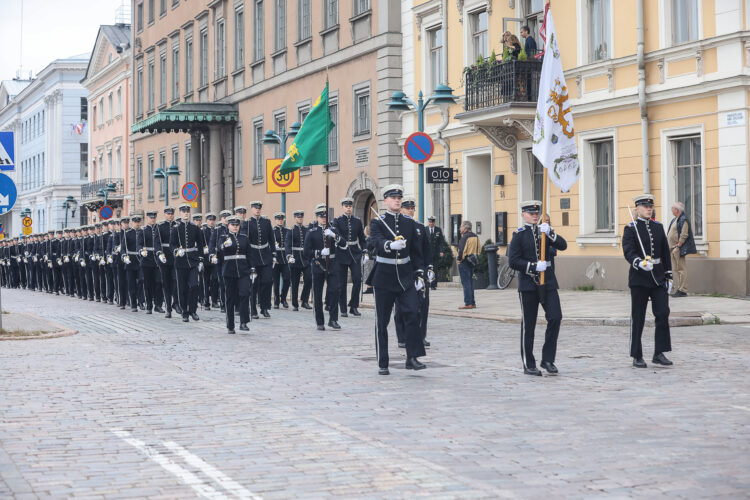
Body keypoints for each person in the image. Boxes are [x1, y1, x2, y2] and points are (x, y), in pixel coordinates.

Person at [367, 184, 426, 375]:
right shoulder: (378, 222)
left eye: (399, 198)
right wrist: (389, 244)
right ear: (386, 201)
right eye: (393, 198)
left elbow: (417, 253)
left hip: (405, 275)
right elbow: (375, 241)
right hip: (384, 276)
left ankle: (412, 357)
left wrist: (419, 274)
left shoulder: (410, 223)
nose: (397, 200)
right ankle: (383, 362)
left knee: (412, 314)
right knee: (382, 321)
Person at [509, 201, 568, 376]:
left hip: (548, 282)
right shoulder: (519, 235)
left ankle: (548, 359)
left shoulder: (545, 231)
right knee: (529, 325)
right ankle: (528, 363)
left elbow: (563, 245)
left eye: (537, 212)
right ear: (523, 215)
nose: (535, 215)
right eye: (531, 213)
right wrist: (533, 266)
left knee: (555, 317)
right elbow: (513, 261)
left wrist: (551, 234)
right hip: (528, 285)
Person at [623, 194, 673, 368]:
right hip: (639, 279)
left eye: (650, 206)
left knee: (662, 313)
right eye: (645, 206)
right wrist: (639, 263)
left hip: (658, 277)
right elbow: (628, 251)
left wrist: (668, 275)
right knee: (638, 317)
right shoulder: (631, 228)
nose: (648, 209)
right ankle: (637, 354)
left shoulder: (658, 227)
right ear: (637, 208)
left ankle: (659, 352)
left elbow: (665, 252)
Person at [394, 197, 432, 348]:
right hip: (403, 270)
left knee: (423, 304)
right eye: (407, 208)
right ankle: (402, 337)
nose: (410, 210)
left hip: (419, 270)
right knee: (401, 306)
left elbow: (426, 250)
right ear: (401, 209)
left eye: (412, 208)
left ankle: (421, 336)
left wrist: (429, 268)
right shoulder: (397, 227)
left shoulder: (419, 227)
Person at [304, 203, 342, 331]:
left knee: (335, 291)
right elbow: (306, 252)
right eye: (321, 216)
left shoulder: (333, 229)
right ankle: (320, 321)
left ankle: (333, 319)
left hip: (332, 264)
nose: (324, 218)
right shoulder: (311, 232)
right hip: (318, 264)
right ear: (317, 217)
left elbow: (344, 244)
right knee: (318, 294)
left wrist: (334, 236)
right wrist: (319, 253)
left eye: (325, 216)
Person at [332, 197, 367, 317]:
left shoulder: (357, 221)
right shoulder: (337, 221)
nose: (348, 208)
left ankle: (353, 306)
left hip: (355, 253)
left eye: (350, 206)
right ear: (342, 207)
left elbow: (362, 239)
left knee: (357, 279)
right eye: (346, 206)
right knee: (342, 282)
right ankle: (343, 308)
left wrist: (365, 251)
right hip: (342, 252)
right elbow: (336, 234)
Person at [170, 204, 205, 322]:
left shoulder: (194, 227)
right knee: (182, 288)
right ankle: (184, 312)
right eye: (183, 211)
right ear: (180, 213)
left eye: (187, 211)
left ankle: (193, 310)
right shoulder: (176, 228)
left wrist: (200, 259)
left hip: (193, 260)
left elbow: (200, 244)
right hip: (181, 261)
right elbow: (172, 244)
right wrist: (176, 251)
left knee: (194, 285)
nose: (186, 213)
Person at [218, 215, 252, 334]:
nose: (235, 227)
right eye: (233, 225)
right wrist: (223, 246)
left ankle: (243, 322)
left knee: (244, 294)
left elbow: (249, 254)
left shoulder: (244, 238)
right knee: (230, 298)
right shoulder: (223, 237)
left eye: (237, 225)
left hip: (243, 270)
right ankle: (230, 325)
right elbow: (219, 250)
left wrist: (252, 269)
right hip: (229, 271)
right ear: (228, 226)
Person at [244, 201, 274, 319]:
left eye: (259, 208)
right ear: (251, 209)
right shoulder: (247, 224)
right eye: (255, 208)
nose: (257, 210)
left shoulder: (266, 222)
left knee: (267, 282)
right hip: (253, 256)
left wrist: (274, 254)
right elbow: (245, 242)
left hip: (266, 256)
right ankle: (253, 309)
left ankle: (264, 307)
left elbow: (271, 239)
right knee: (254, 284)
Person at [137, 210, 165, 314]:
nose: (152, 219)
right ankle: (149, 305)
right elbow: (139, 244)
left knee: (158, 282)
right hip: (147, 259)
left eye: (154, 217)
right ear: (147, 218)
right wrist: (141, 251)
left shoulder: (159, 228)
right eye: (151, 217)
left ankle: (158, 305)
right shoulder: (143, 230)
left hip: (157, 260)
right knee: (148, 284)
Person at [284, 209, 312, 311]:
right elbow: (287, 245)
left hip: (305, 258)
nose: (300, 218)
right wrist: (288, 256)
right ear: (295, 218)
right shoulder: (291, 231)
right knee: (295, 283)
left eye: (301, 217)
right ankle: (295, 303)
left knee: (309, 278)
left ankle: (304, 300)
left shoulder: (306, 230)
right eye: (298, 217)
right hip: (295, 258)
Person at [667, 201, 696, 297]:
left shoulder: (683, 219)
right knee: (676, 269)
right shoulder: (675, 219)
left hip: (678, 248)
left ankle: (683, 290)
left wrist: (678, 246)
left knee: (681, 269)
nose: (671, 209)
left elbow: (684, 234)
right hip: (673, 249)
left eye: (672, 208)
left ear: (677, 210)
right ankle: (678, 288)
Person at [154, 207, 176, 318]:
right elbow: (157, 242)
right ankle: (168, 308)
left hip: (176, 257)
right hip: (165, 258)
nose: (170, 215)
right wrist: (159, 253)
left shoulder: (177, 225)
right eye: (168, 213)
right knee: (166, 284)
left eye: (172, 213)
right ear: (165, 214)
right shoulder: (160, 226)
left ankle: (176, 303)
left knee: (176, 282)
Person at [457, 221, 480, 309]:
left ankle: (468, 303)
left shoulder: (464, 237)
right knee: (470, 282)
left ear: (465, 228)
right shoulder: (475, 236)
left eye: (461, 226)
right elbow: (479, 248)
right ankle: (472, 302)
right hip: (472, 261)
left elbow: (461, 250)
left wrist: (459, 260)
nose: (460, 228)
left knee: (465, 283)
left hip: (464, 261)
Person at [120, 215, 141, 312]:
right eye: (135, 222)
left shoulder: (142, 232)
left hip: (141, 260)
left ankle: (141, 301)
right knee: (132, 284)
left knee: (141, 282)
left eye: (138, 222)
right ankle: (133, 304)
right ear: (132, 223)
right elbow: (123, 248)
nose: (137, 223)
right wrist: (124, 256)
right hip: (130, 261)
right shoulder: (128, 234)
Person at [272, 212, 291, 309]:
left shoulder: (287, 230)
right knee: (276, 281)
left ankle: (283, 298)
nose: (280, 220)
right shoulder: (272, 231)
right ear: (275, 220)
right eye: (278, 219)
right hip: (276, 258)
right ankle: (276, 300)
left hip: (285, 257)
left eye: (281, 219)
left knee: (287, 279)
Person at [426, 215, 447, 290]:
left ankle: (433, 285)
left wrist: (441, 251)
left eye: (432, 222)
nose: (431, 223)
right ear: (428, 222)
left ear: (434, 222)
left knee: (434, 269)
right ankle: (428, 283)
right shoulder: (425, 229)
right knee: (428, 268)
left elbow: (441, 242)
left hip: (435, 252)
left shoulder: (438, 230)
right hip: (427, 253)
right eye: (430, 222)